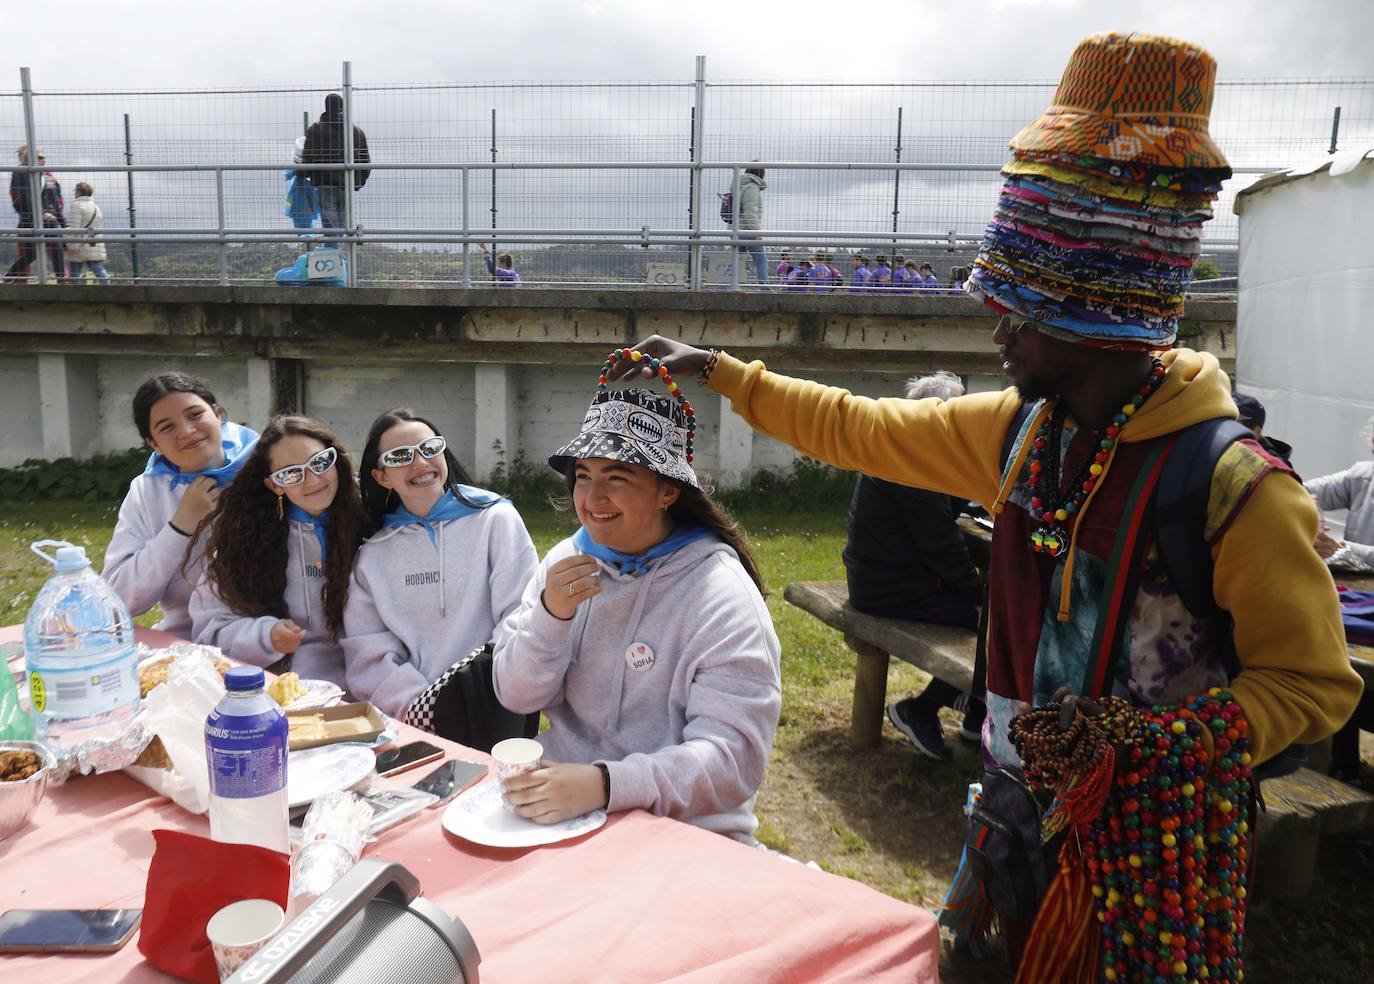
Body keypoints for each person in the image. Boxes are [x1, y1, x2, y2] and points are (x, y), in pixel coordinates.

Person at [613, 33, 1361, 980]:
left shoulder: (1233, 489)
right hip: (1010, 821)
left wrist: (1143, 741)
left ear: (1095, 314)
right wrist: (721, 372)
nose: (992, 322)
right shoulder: (1020, 430)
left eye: (1017, 305)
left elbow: (1316, 687)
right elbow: (862, 428)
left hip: (1152, 865)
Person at [493, 381, 782, 844]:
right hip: (559, 813)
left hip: (681, 833)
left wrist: (606, 785)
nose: (591, 499)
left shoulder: (720, 594)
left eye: (617, 477)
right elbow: (515, 695)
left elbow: (732, 761)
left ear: (667, 491)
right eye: (583, 476)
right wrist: (551, 616)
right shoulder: (564, 566)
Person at [341, 408, 538, 719]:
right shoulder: (372, 556)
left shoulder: (496, 520)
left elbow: (521, 611)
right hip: (414, 716)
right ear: (381, 477)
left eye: (430, 448)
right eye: (400, 456)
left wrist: (480, 689)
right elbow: (368, 651)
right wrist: (425, 706)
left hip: (495, 703)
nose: (420, 462)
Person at [844, 371, 985, 762]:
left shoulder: (902, 446)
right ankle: (922, 709)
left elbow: (938, 514)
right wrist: (979, 594)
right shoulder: (913, 463)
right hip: (889, 590)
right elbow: (941, 544)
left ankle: (976, 711)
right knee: (996, 624)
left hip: (876, 579)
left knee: (991, 615)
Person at [190, 416, 367, 687]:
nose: (312, 480)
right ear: (274, 484)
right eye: (292, 473)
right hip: (287, 689)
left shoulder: (373, 519)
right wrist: (265, 636)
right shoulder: (245, 538)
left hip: (372, 686)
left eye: (320, 462)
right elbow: (209, 632)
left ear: (336, 459)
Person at [103, 372, 259, 637]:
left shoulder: (268, 469)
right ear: (153, 444)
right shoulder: (148, 491)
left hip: (272, 639)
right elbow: (116, 600)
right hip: (185, 645)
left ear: (218, 414)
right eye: (166, 427)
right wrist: (179, 527)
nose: (187, 431)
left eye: (195, 414)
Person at [1305, 415, 1374, 568]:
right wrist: (1313, 520)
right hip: (1355, 582)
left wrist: (1343, 550)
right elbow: (1302, 490)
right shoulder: (1362, 474)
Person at [299, 93, 370, 237]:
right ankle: (344, 252)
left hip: (325, 183)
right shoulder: (356, 131)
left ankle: (333, 252)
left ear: (326, 107)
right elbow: (365, 162)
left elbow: (307, 157)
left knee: (331, 226)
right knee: (345, 225)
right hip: (349, 184)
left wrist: (303, 174)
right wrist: (358, 182)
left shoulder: (316, 129)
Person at [6, 146, 64, 283]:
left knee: (57, 247)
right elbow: (24, 197)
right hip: (30, 219)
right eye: (40, 157)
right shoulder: (20, 173)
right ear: (30, 157)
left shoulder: (47, 176)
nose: (44, 160)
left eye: (44, 157)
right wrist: (41, 213)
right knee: (30, 254)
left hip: (49, 220)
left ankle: (63, 281)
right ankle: (9, 277)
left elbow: (55, 200)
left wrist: (62, 222)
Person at [721, 166, 769, 287]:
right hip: (747, 231)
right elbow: (750, 213)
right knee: (761, 261)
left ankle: (721, 288)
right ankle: (765, 290)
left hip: (735, 230)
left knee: (736, 261)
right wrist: (756, 233)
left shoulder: (738, 186)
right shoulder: (752, 187)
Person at [63, 182, 109, 284]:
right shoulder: (96, 207)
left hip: (79, 243)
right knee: (98, 268)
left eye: (75, 191)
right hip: (94, 243)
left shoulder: (76, 205)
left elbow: (73, 227)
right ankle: (108, 288)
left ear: (79, 192)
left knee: (74, 270)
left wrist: (66, 240)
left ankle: (76, 294)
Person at [1231, 391, 1292, 464]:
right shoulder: (1218, 450)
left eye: (1246, 425)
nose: (1236, 431)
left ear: (1259, 432)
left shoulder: (1272, 466)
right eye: (1230, 423)